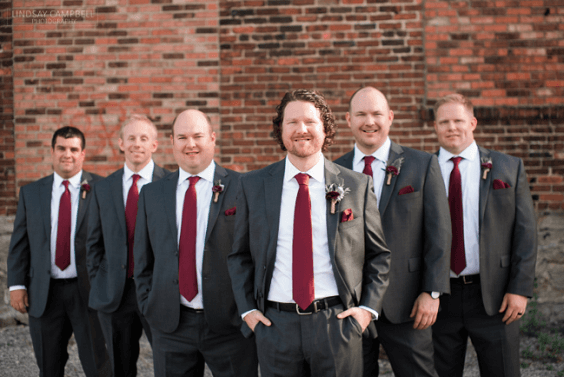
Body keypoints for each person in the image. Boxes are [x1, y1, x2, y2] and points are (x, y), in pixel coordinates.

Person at [228, 89, 391, 377]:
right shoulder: (252, 186)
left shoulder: (357, 185)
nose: (301, 129)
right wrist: (248, 313)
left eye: (310, 122)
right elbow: (239, 255)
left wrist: (366, 311)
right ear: (281, 130)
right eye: (292, 122)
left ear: (325, 128)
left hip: (337, 324)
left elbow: (378, 255)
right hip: (275, 326)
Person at [334, 86, 451, 377]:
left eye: (376, 113)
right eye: (361, 114)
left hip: (408, 301)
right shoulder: (332, 172)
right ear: (348, 120)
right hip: (351, 304)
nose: (369, 121)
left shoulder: (422, 165)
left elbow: (439, 233)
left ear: (390, 117)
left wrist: (431, 292)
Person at [134, 109, 258, 376]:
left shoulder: (242, 187)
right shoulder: (152, 194)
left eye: (198, 136)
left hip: (230, 325)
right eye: (182, 137)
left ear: (212, 139)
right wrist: (149, 305)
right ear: (172, 142)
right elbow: (143, 259)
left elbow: (255, 254)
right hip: (171, 326)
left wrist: (247, 310)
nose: (190, 144)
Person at [431, 93, 537, 377]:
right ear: (435, 127)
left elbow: (525, 233)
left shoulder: (507, 167)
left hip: (494, 295)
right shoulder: (421, 170)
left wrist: (520, 289)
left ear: (473, 122)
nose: (452, 127)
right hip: (439, 298)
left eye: (458, 120)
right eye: (444, 122)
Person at [7, 126, 111, 377]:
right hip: (44, 292)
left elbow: (112, 242)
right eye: (62, 148)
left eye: (74, 149)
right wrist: (16, 285)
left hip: (88, 292)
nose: (68, 154)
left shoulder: (103, 189)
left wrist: (108, 285)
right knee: (49, 365)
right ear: (52, 152)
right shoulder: (31, 193)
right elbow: (20, 242)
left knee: (99, 365)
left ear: (83, 154)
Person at [86, 115, 170, 377]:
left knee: (170, 364)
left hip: (159, 291)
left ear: (154, 145)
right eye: (131, 138)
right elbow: (93, 244)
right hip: (116, 294)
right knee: (121, 367)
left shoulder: (170, 184)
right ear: (121, 143)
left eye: (144, 138)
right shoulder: (103, 188)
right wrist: (101, 281)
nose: (137, 144)